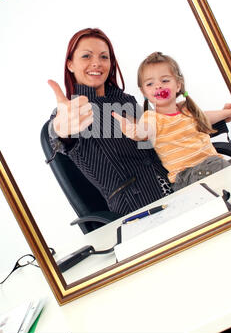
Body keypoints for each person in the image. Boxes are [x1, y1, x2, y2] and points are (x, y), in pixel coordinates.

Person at [47, 28, 173, 217]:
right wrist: (59, 128)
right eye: (86, 56)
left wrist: (209, 120)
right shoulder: (74, 113)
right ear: (70, 64)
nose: (96, 63)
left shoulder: (127, 100)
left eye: (104, 57)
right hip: (137, 209)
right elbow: (59, 135)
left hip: (177, 187)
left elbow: (163, 132)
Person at [113, 51, 231, 191]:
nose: (158, 86)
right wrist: (132, 130)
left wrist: (230, 112)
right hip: (186, 177)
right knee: (217, 165)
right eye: (150, 84)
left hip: (212, 166)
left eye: (165, 81)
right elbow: (143, 132)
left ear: (178, 85)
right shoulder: (152, 117)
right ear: (144, 92)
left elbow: (205, 117)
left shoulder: (187, 108)